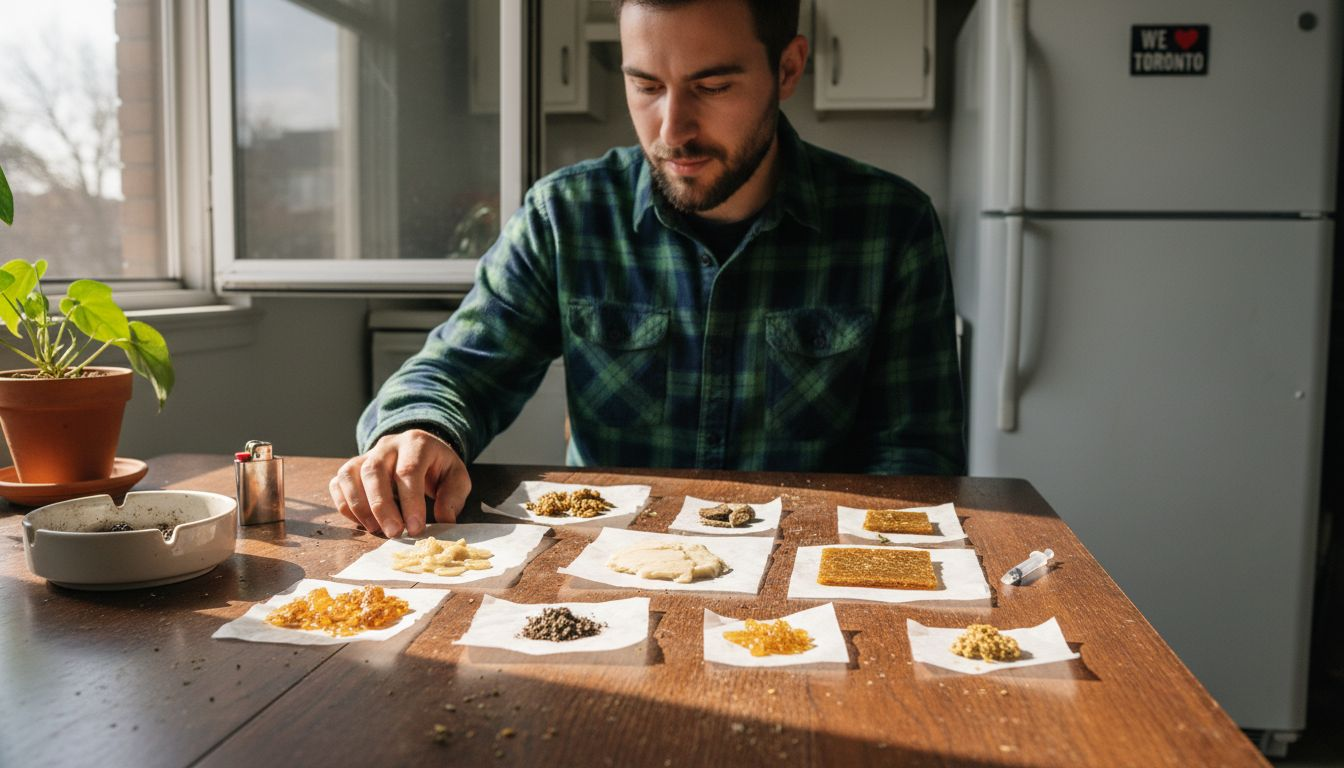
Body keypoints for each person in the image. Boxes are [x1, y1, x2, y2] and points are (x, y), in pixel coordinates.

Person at [329, 0, 965, 538]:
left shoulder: (892, 225)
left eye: (713, 87)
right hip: (608, 582)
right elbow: (460, 368)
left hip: (805, 583)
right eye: (646, 86)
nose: (672, 129)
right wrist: (418, 429)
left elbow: (915, 464)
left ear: (788, 67)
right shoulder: (567, 214)